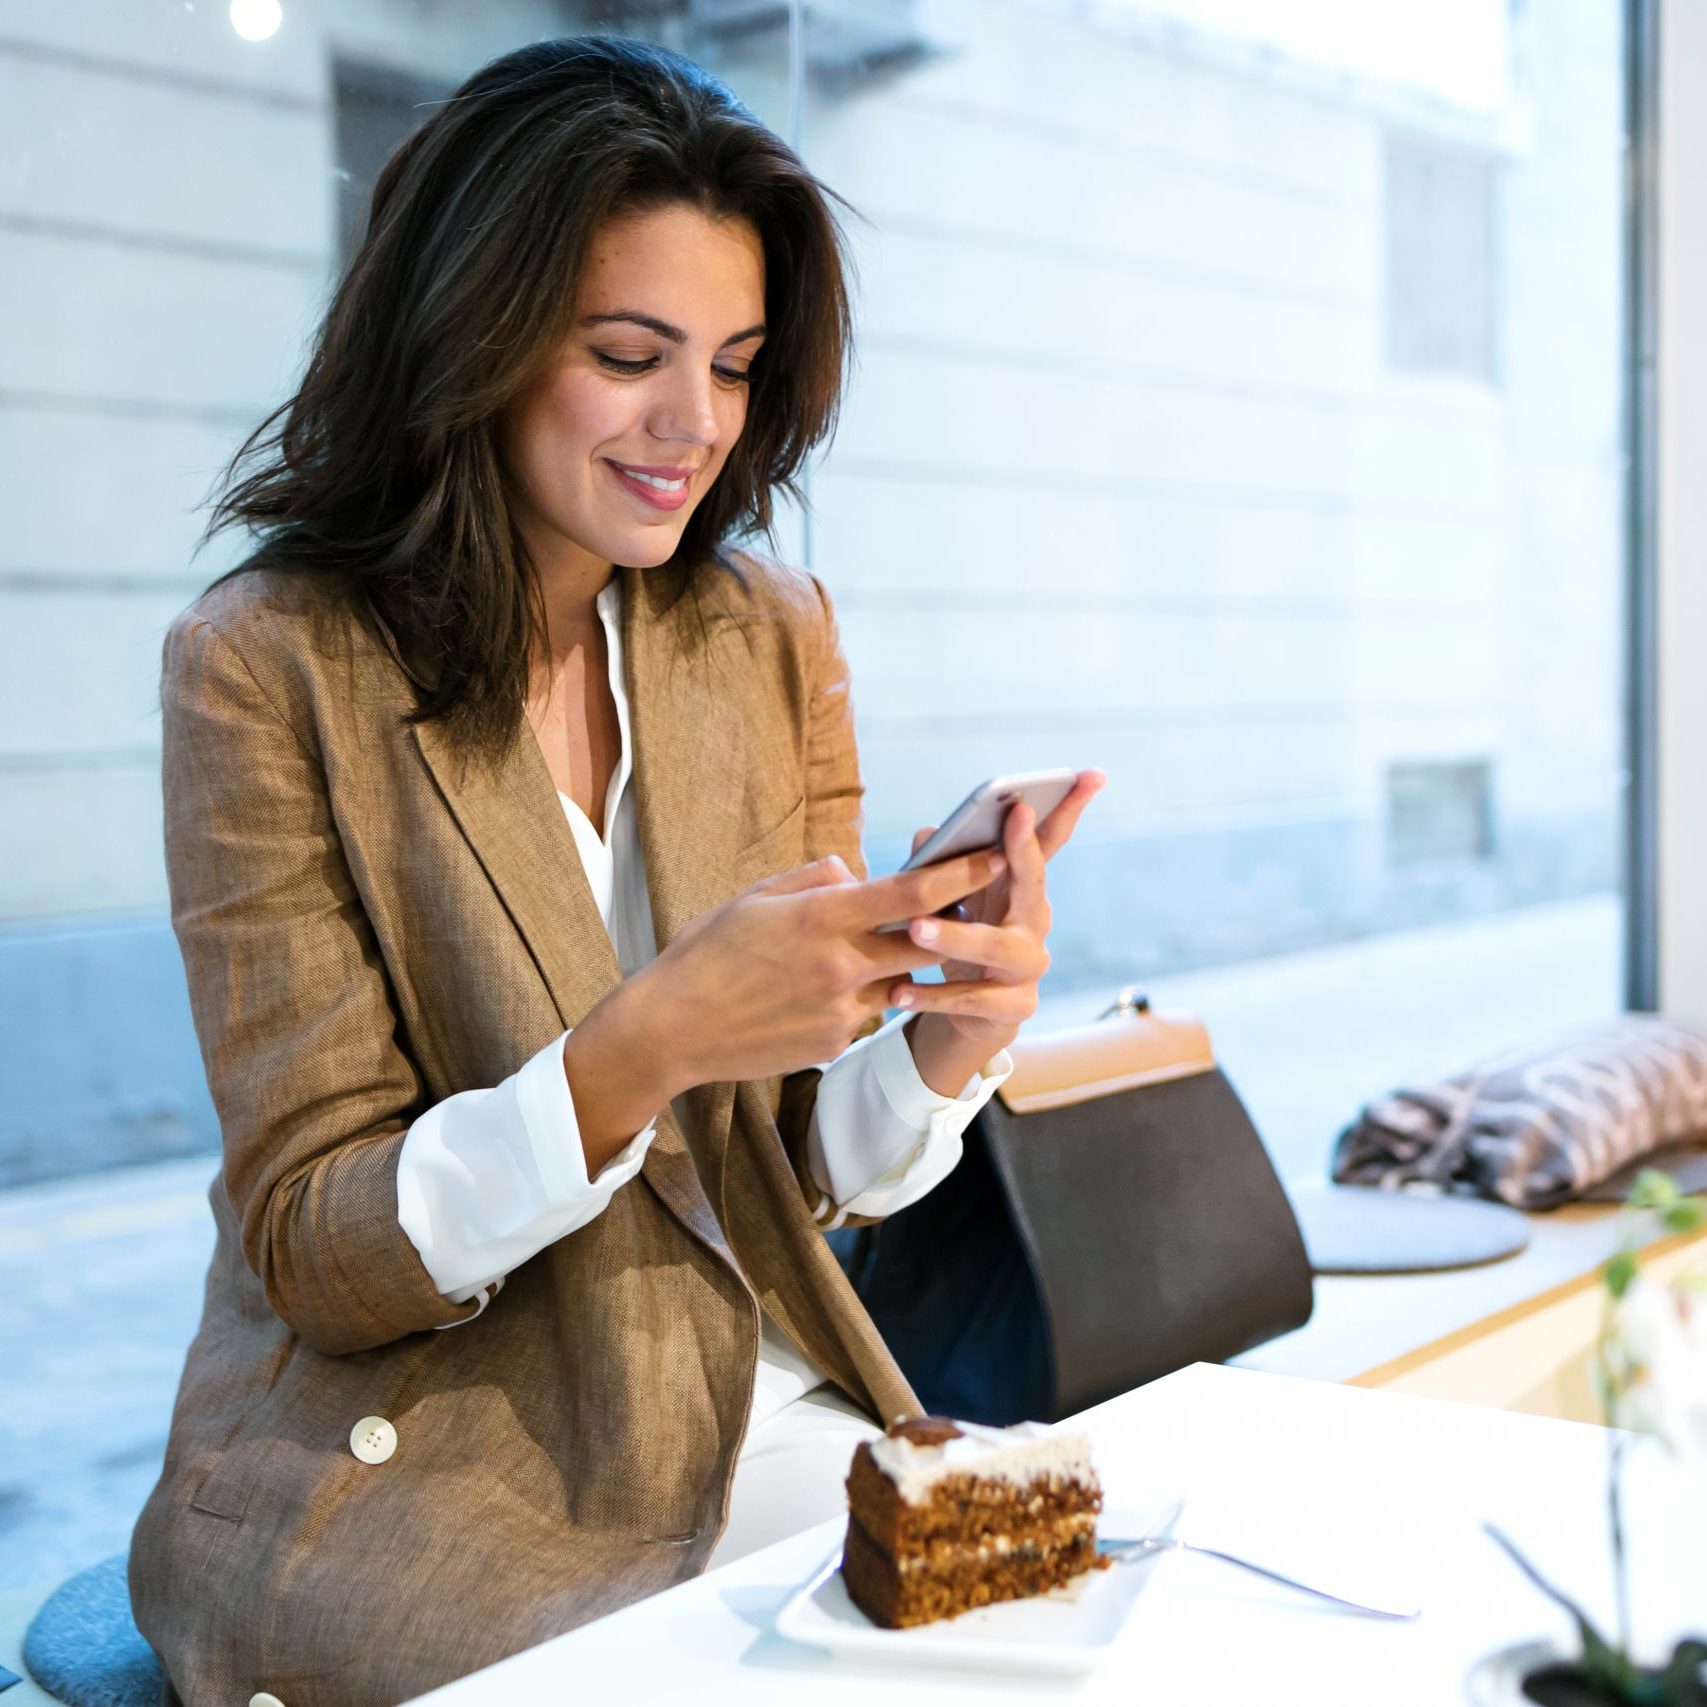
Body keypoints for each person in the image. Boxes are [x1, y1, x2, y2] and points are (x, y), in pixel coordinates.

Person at [129, 34, 1102, 1706]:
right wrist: (642, 1043)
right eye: (630, 354)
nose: (695, 426)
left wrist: (941, 1042)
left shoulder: (763, 636)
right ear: (475, 337)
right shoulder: (265, 665)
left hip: (748, 1406)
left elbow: (780, 1170)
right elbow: (315, 1242)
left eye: (733, 366)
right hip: (437, 1462)